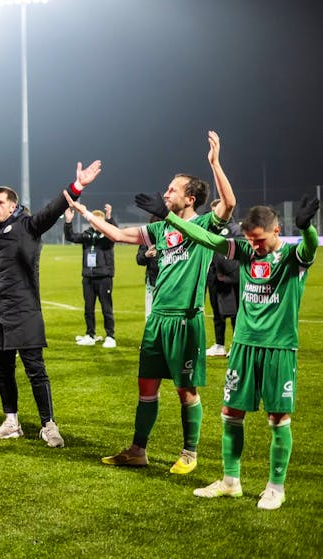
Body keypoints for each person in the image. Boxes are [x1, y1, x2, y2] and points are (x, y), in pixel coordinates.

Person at [135, 193, 318, 510]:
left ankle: (275, 488)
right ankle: (231, 482)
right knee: (231, 413)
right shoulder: (245, 251)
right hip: (243, 347)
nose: (254, 246)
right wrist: (169, 216)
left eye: (259, 240)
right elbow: (205, 237)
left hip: (278, 348)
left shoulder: (292, 256)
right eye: (250, 240)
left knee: (278, 417)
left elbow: (310, 248)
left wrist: (306, 228)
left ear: (276, 231)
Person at [70, 131, 236, 472]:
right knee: (146, 387)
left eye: (172, 189)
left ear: (190, 198)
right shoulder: (160, 230)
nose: (166, 193)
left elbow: (229, 204)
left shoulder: (205, 225)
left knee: (186, 390)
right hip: (157, 319)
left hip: (185, 320)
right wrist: (85, 212)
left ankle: (189, 453)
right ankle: (138, 450)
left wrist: (215, 163)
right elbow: (118, 235)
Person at [0, 160, 103, 448]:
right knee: (3, 371)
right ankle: (11, 422)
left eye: (0, 202)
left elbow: (52, 211)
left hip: (24, 313)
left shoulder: (28, 226)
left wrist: (77, 186)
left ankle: (48, 424)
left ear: (12, 206)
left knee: (36, 370)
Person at [64, 203, 117, 348]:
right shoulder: (87, 235)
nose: (95, 223)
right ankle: (90, 335)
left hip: (104, 277)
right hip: (88, 277)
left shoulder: (108, 237)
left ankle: (110, 336)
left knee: (106, 308)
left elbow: (116, 233)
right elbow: (70, 236)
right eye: (93, 221)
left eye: (98, 221)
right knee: (88, 309)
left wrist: (109, 218)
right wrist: (68, 221)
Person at [205, 199, 242, 357]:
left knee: (236, 313)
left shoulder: (235, 229)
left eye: (217, 210)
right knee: (217, 312)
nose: (215, 214)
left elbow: (240, 252)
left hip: (232, 277)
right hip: (214, 277)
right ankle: (219, 345)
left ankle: (237, 345)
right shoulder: (210, 228)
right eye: (213, 211)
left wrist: (228, 272)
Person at [136, 216, 161, 318]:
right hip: (152, 282)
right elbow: (139, 260)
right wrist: (146, 255)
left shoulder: (170, 238)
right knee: (150, 315)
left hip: (169, 283)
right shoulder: (146, 240)